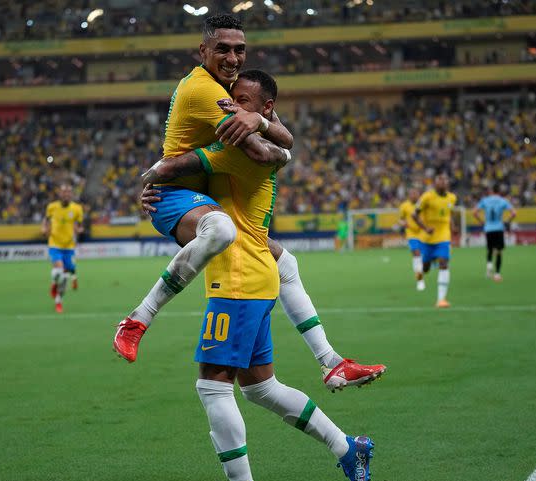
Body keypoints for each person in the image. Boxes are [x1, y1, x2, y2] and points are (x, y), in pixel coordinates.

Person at [144, 70, 374, 481]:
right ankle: (348, 447)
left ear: (266, 108)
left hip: (238, 283)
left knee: (212, 386)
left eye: (242, 101)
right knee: (261, 387)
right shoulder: (241, 136)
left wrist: (151, 184)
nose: (230, 106)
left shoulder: (241, 151)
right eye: (228, 98)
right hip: (257, 276)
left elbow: (180, 166)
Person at [114, 14, 385, 391]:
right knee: (222, 230)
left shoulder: (234, 89)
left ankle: (331, 362)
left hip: (203, 197)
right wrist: (266, 135)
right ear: (203, 50)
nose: (232, 57)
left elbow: (284, 135)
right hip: (175, 197)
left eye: (239, 49)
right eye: (222, 49)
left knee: (285, 263)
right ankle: (138, 319)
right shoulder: (206, 90)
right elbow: (265, 152)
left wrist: (257, 118)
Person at [413, 173, 457, 308]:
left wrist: (453, 226)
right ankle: (423, 270)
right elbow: (414, 215)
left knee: (444, 263)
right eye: (440, 179)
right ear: (435, 182)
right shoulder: (427, 197)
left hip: (443, 237)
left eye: (445, 179)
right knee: (425, 268)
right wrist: (425, 228)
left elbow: (449, 214)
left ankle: (441, 299)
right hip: (427, 238)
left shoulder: (452, 198)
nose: (443, 182)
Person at [41, 184, 83, 314]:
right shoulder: (52, 207)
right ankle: (54, 283)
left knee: (65, 277)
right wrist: (44, 228)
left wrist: (79, 230)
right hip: (55, 244)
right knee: (59, 270)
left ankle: (58, 300)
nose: (66, 194)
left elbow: (79, 225)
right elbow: (46, 220)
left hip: (69, 247)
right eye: (64, 192)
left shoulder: (77, 209)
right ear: (60, 193)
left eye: (68, 192)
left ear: (71, 194)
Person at [473, 184, 516, 282]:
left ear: (491, 191)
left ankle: (489, 265)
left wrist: (481, 221)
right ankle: (497, 274)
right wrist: (507, 220)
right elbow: (514, 213)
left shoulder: (485, 200)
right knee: (499, 252)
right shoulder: (503, 201)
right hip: (499, 228)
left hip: (488, 228)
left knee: (490, 249)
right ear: (499, 192)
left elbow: (474, 212)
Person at [398, 187, 425, 291]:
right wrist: (403, 223)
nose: (413, 195)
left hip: (423, 232)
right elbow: (400, 220)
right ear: (409, 195)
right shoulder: (404, 206)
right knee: (416, 255)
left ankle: (423, 268)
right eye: (411, 193)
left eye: (415, 193)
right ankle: (420, 281)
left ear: (418, 194)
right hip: (411, 234)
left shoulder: (423, 204)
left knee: (424, 258)